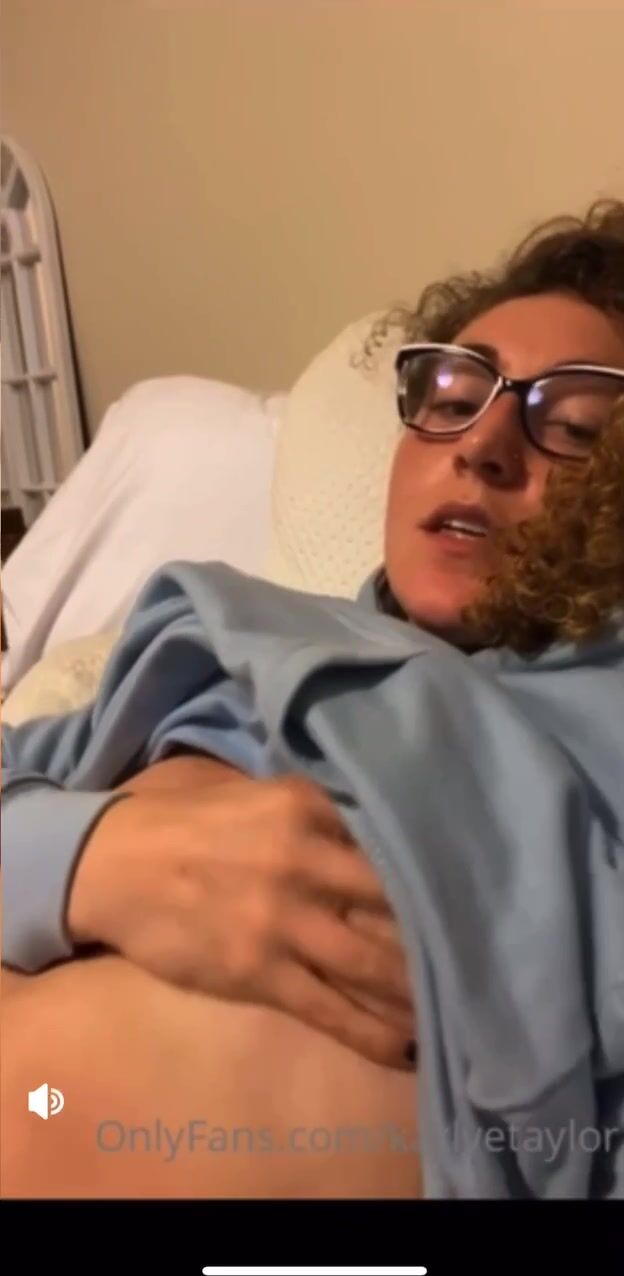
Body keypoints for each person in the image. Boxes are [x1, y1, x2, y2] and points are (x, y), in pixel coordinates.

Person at [2, 200, 624, 1200]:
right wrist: (89, 859)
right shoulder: (223, 633)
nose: (483, 444)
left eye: (575, 428)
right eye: (452, 395)